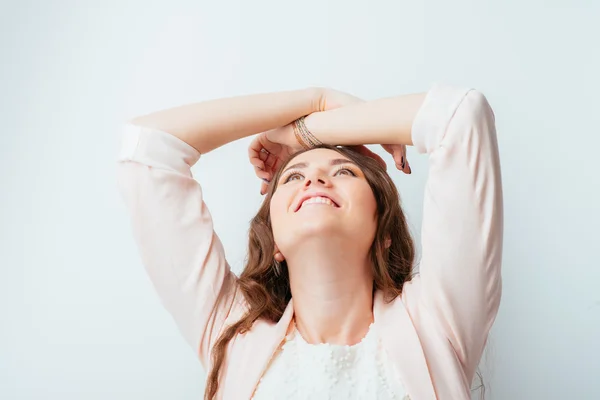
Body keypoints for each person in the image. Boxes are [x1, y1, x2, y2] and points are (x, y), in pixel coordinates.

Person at [116, 83, 503, 400]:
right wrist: (315, 98)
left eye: (345, 171)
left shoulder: (436, 322)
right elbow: (149, 147)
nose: (314, 180)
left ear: (384, 232)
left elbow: (461, 117)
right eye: (293, 176)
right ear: (274, 242)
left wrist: (304, 133)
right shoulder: (230, 334)